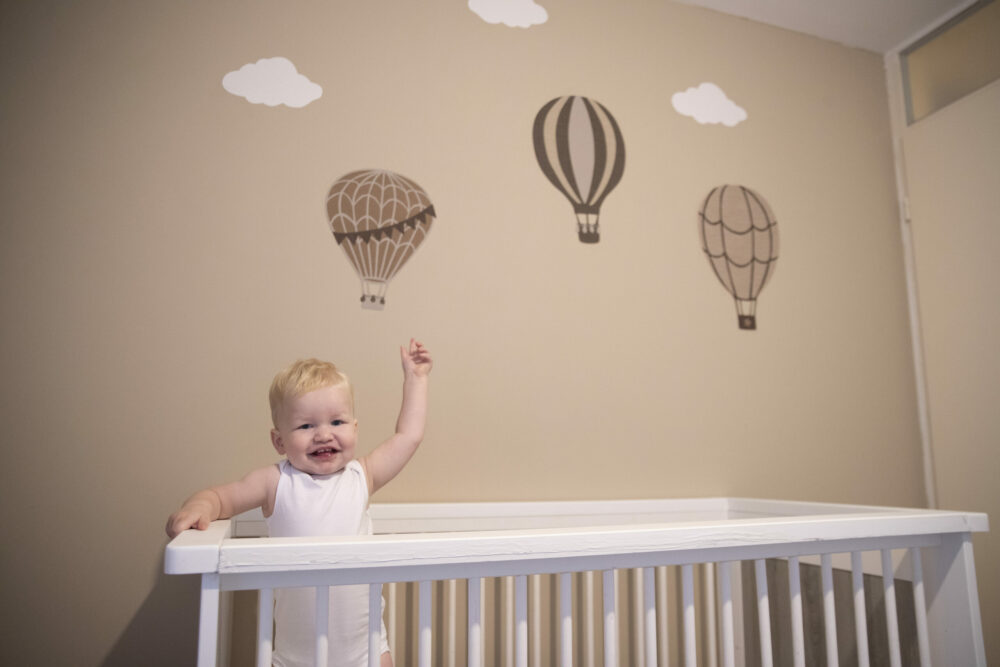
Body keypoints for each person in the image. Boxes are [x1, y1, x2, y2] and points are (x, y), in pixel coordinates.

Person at [166, 339, 432, 667]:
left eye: (337, 422)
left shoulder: (361, 476)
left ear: (355, 429)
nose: (323, 434)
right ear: (279, 440)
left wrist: (416, 379)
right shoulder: (275, 482)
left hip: (368, 650)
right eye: (306, 426)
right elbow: (221, 498)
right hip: (296, 657)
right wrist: (200, 507)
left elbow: (408, 436)